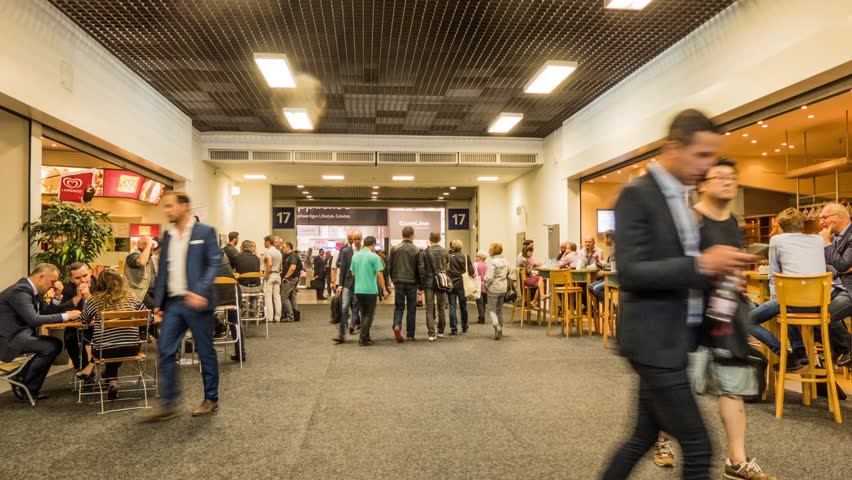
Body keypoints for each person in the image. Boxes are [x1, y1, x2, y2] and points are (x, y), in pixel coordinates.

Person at [601, 109, 755, 480]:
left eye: (713, 158)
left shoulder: (682, 199)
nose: (707, 167)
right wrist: (702, 265)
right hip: (653, 341)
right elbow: (632, 271)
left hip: (673, 338)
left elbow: (680, 266)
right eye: (701, 156)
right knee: (699, 446)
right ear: (672, 147)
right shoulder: (638, 194)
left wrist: (721, 268)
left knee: (641, 438)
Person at [689, 158, 777, 480]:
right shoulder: (692, 219)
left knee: (733, 386)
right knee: (681, 387)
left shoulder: (733, 222)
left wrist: (737, 271)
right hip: (691, 315)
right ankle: (661, 436)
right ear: (703, 184)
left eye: (732, 177)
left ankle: (736, 460)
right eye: (719, 177)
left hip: (726, 313)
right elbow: (679, 267)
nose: (728, 182)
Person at [145, 191, 222, 421]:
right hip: (174, 304)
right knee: (165, 350)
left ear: (184, 206)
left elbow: (214, 263)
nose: (167, 211)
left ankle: (211, 398)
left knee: (205, 352)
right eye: (165, 207)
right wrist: (158, 302)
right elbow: (163, 272)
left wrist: (200, 291)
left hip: (197, 303)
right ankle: (168, 402)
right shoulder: (168, 235)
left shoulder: (205, 232)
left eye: (170, 206)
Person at [750, 207, 852, 370]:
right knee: (788, 308)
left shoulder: (776, 241)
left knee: (748, 320)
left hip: (790, 301)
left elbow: (773, 274)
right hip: (819, 302)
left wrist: (775, 298)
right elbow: (826, 267)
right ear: (802, 225)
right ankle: (801, 353)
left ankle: (789, 354)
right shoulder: (819, 240)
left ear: (781, 228)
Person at [0, 264, 81, 402]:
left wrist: (57, 296)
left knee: (54, 344)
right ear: (41, 277)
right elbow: (34, 319)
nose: (53, 285)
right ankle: (26, 385)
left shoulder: (32, 291)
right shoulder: (21, 291)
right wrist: (67, 316)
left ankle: (23, 380)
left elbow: (46, 314)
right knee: (50, 346)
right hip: (8, 339)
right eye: (52, 281)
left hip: (19, 335)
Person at [80, 269, 146, 401]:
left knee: (109, 346)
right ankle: (112, 383)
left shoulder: (94, 301)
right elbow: (147, 315)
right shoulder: (131, 299)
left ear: (100, 284)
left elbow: (83, 321)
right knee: (117, 345)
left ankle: (109, 380)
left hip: (104, 351)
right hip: (131, 349)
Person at [51, 262, 98, 383]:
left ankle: (100, 372)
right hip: (78, 327)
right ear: (72, 279)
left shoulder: (100, 284)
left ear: (90, 273)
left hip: (98, 326)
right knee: (71, 338)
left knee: (107, 336)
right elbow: (60, 311)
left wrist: (88, 296)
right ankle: (86, 373)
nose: (82, 280)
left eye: (85, 275)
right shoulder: (68, 288)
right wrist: (77, 298)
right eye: (78, 278)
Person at [819, 202, 852, 367]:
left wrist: (826, 243)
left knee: (824, 317)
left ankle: (845, 347)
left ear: (839, 217)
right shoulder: (833, 238)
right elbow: (828, 266)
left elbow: (842, 265)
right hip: (833, 289)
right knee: (808, 317)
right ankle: (841, 348)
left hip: (849, 291)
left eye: (824, 217)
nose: (821, 222)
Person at [349, 236, 389, 346]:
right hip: (370, 290)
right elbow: (379, 275)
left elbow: (352, 273)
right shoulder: (374, 257)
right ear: (373, 245)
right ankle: (363, 338)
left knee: (363, 313)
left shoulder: (355, 256)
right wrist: (384, 290)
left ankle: (366, 337)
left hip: (358, 289)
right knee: (368, 315)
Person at [388, 226, 420, 342]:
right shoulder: (417, 250)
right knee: (411, 308)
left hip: (398, 281)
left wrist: (393, 279)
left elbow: (390, 266)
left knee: (399, 307)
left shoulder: (394, 249)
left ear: (402, 235)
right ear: (412, 236)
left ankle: (397, 326)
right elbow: (419, 268)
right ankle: (410, 334)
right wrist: (420, 284)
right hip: (412, 282)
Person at [214, 253, 246, 362]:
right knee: (236, 322)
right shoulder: (223, 255)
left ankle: (218, 325)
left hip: (214, 296)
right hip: (233, 294)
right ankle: (241, 353)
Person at [333, 231, 363, 343]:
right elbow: (343, 268)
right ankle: (341, 334)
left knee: (356, 306)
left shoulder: (364, 251)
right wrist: (340, 284)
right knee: (344, 307)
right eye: (354, 239)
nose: (356, 241)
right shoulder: (346, 251)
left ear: (361, 239)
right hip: (347, 284)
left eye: (358, 238)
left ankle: (353, 323)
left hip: (360, 284)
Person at [418, 232, 449, 341]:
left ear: (430, 239)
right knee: (441, 307)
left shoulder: (425, 252)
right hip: (440, 282)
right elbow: (447, 266)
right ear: (440, 239)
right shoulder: (445, 251)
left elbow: (421, 269)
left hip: (428, 282)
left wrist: (421, 283)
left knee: (429, 308)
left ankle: (431, 334)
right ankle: (441, 331)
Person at [447, 240, 475, 335]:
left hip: (451, 284)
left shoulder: (449, 257)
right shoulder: (466, 257)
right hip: (463, 284)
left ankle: (453, 328)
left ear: (452, 247)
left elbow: (446, 270)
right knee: (463, 306)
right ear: (461, 247)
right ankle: (464, 325)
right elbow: (471, 272)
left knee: (452, 306)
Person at [485, 244, 509, 340]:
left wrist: (485, 285)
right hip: (503, 288)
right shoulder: (505, 261)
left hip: (494, 288)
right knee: (499, 310)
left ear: (494, 251)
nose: (489, 251)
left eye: (490, 249)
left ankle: (496, 326)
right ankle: (501, 330)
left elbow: (489, 277)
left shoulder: (493, 262)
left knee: (491, 309)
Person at [125, 235, 156, 307]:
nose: (151, 247)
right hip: (137, 294)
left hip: (149, 292)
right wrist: (148, 246)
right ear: (140, 245)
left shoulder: (151, 257)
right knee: (155, 308)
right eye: (147, 244)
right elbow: (141, 262)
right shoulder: (133, 255)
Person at [589, 230, 616, 303]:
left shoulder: (615, 249)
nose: (604, 240)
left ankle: (611, 308)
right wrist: (598, 261)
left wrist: (601, 261)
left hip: (615, 278)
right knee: (590, 286)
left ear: (609, 238)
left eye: (604, 238)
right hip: (609, 277)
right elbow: (609, 266)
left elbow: (612, 267)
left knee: (596, 288)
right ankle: (609, 308)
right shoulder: (612, 249)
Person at [262, 235, 282, 323]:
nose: (264, 243)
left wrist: (266, 274)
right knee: (277, 297)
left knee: (268, 297)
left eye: (264, 241)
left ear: (268, 242)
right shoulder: (278, 252)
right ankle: (277, 317)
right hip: (277, 275)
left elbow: (269, 264)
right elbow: (281, 266)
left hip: (270, 275)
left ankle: (270, 317)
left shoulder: (268, 251)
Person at [280, 242, 301, 322]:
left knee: (283, 297)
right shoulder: (288, 256)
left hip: (290, 279)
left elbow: (292, 268)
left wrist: (286, 277)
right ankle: (295, 315)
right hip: (292, 278)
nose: (282, 249)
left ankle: (290, 316)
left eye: (283, 247)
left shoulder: (293, 256)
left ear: (288, 247)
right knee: (292, 297)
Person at [474, 252, 488, 324]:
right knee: (483, 302)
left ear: (480, 257)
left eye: (477, 256)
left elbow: (473, 274)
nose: (476, 257)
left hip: (478, 284)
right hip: (485, 284)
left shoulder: (476, 264)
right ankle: (483, 316)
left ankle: (481, 317)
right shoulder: (487, 265)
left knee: (479, 302)